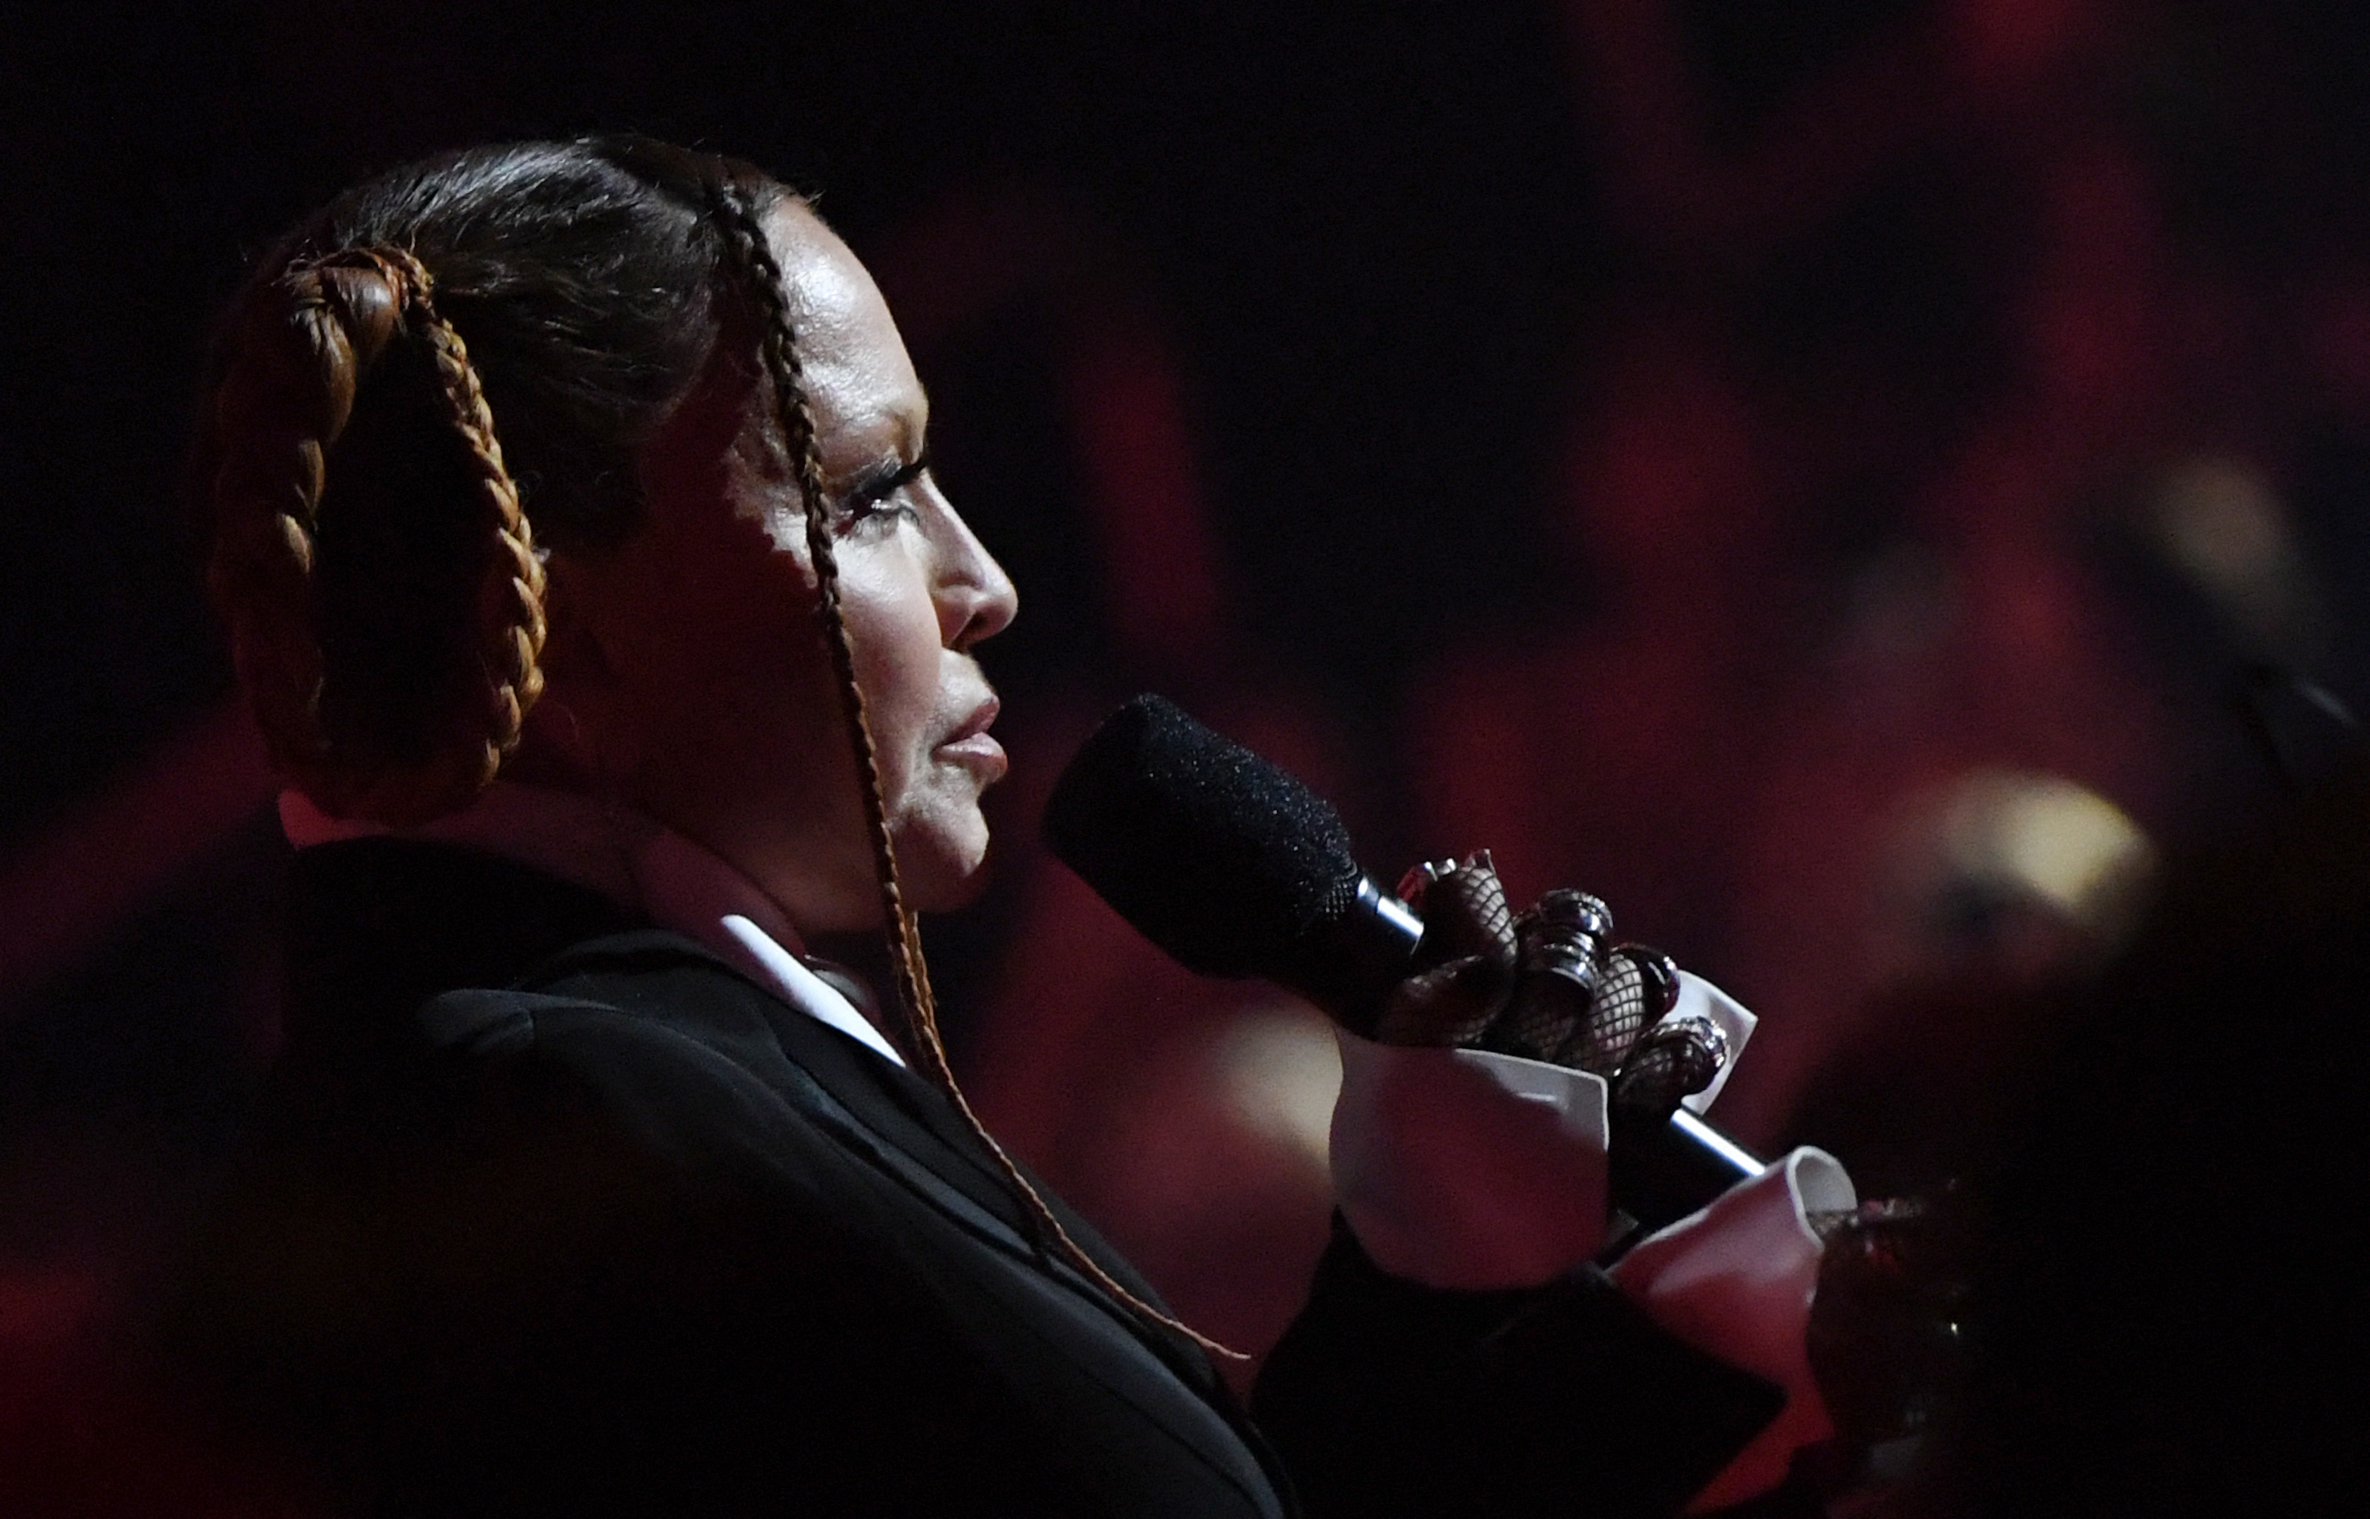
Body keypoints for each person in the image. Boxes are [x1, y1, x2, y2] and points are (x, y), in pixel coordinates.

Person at [169, 137, 1827, 1517]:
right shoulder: (561, 1123)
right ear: (559, 627)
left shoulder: (607, 1076)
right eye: (873, 494)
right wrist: (1686, 1352)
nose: (985, 582)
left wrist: (1440, 1265)